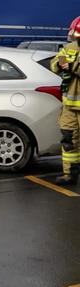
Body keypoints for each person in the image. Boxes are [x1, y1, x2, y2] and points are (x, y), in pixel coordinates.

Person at [51, 16, 80, 184]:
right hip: (69, 106)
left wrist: (72, 66)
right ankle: (70, 174)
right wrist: (60, 64)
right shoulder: (69, 47)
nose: (75, 39)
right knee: (69, 141)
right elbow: (55, 62)